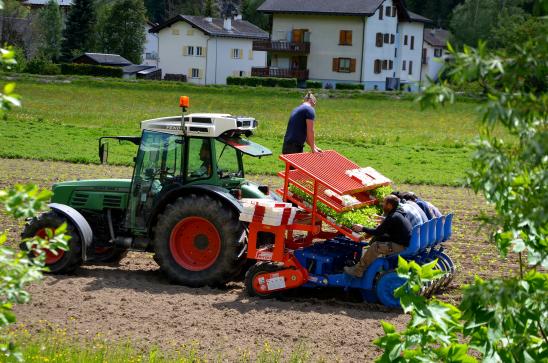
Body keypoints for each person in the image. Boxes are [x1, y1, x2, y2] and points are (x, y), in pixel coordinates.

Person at [344, 195, 412, 277]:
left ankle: (358, 271)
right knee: (378, 239)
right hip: (401, 242)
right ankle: (369, 266)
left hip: (399, 246)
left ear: (390, 205)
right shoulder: (398, 213)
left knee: (375, 246)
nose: (382, 205)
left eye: (384, 203)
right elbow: (388, 226)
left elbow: (378, 232)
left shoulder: (392, 217)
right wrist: (384, 220)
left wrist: (362, 228)